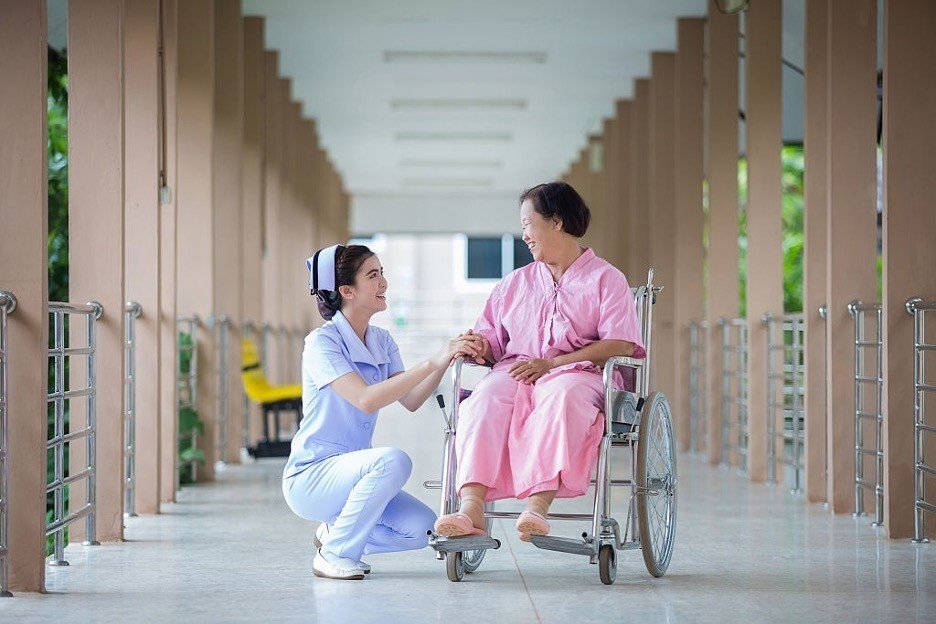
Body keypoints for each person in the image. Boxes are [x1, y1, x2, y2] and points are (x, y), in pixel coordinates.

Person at [433, 181, 645, 542]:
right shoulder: (515, 283)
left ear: (557, 222)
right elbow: (495, 344)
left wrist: (556, 364)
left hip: (581, 374)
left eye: (528, 224)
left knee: (561, 396)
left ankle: (537, 505)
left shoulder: (606, 279)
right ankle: (471, 506)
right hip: (517, 370)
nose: (525, 236)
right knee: (486, 397)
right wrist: (478, 346)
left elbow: (620, 341)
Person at [282, 244, 480, 580]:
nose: (384, 282)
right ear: (346, 291)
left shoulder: (382, 340)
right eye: (373, 275)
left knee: (421, 531)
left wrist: (447, 356)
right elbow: (366, 399)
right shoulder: (322, 343)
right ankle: (333, 554)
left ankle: (335, 534)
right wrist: (433, 359)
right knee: (394, 460)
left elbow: (413, 398)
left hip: (356, 477)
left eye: (382, 272)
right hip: (312, 477)